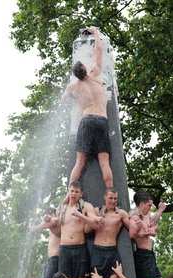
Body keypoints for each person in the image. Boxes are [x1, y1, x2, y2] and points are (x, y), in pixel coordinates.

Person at [62, 26, 113, 190]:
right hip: (101, 120)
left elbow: (64, 100)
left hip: (86, 119)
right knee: (104, 162)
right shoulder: (95, 73)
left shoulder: (73, 86)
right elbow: (98, 49)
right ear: (85, 69)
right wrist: (95, 32)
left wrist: (70, 94)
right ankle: (111, 195)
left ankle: (68, 196)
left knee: (79, 162)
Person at [56, 181, 102, 278]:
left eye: (76, 192)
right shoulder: (62, 208)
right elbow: (54, 222)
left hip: (80, 248)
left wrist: (91, 216)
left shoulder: (85, 206)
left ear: (81, 194)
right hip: (64, 249)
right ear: (68, 192)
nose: (73, 194)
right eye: (71, 191)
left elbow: (93, 219)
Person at [91, 188, 130, 278]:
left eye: (115, 198)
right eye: (110, 198)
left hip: (112, 251)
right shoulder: (96, 211)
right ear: (105, 197)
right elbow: (86, 225)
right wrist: (95, 218)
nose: (113, 201)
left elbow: (132, 228)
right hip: (97, 251)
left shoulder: (121, 214)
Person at [129, 191, 166, 278]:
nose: (150, 208)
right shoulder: (134, 216)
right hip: (143, 255)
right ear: (141, 204)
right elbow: (132, 235)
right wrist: (146, 233)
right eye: (149, 205)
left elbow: (153, 223)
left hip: (151, 254)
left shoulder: (147, 214)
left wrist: (160, 210)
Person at [29, 208, 61, 278]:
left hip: (55, 257)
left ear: (54, 213)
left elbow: (54, 220)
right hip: (52, 258)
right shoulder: (51, 225)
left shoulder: (57, 220)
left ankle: (34, 228)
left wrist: (36, 228)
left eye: (49, 214)